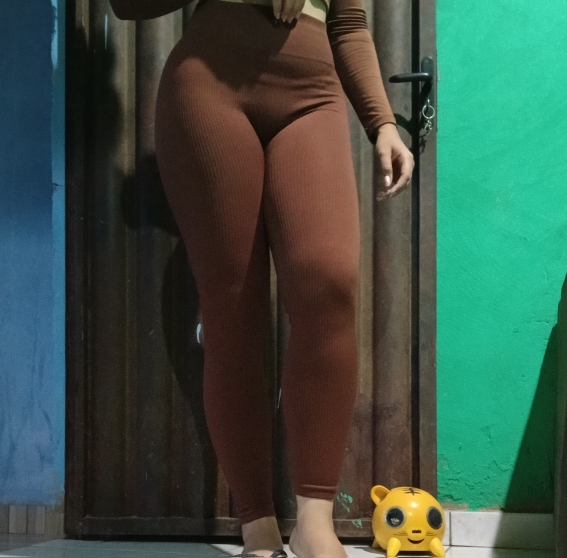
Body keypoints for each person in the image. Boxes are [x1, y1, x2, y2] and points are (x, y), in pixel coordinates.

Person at [109, 0, 414, 556]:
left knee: (328, 286)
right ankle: (258, 526)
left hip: (313, 95)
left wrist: (383, 122)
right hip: (208, 88)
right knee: (232, 312)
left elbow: (348, 21)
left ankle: (314, 524)